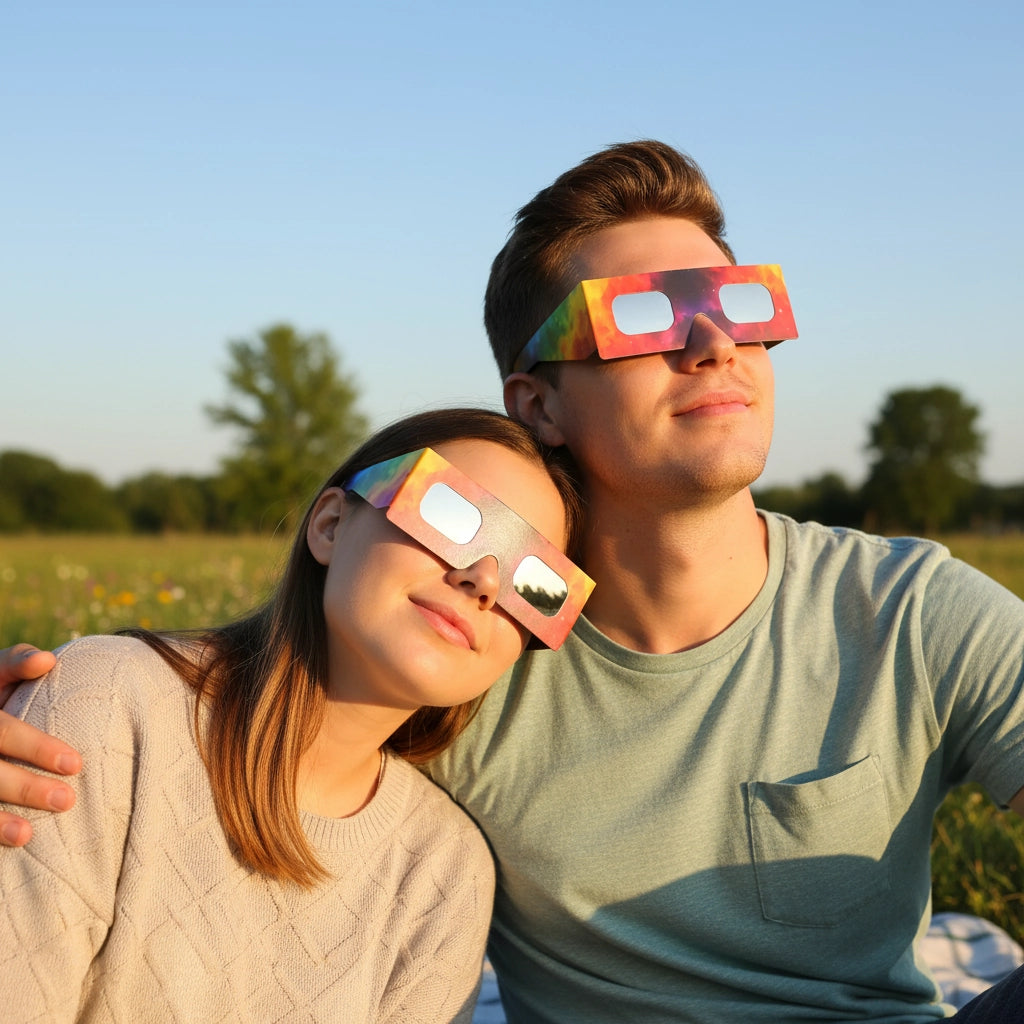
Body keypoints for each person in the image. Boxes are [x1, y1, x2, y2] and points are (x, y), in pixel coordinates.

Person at [3, 141, 1024, 1022]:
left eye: (739, 304)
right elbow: (249, 716)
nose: (714, 342)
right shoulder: (473, 655)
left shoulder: (909, 608)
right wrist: (47, 708)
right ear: (535, 400)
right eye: (644, 317)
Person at [0, 406, 592, 1023]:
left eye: (538, 581)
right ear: (331, 526)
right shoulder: (106, 704)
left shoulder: (444, 870)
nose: (484, 581)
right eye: (450, 514)